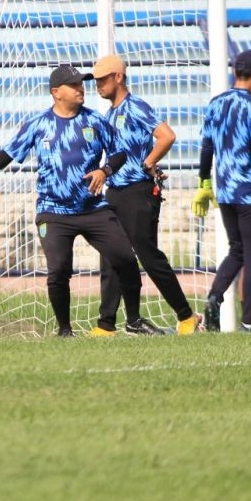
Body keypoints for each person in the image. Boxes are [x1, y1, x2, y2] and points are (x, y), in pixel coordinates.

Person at [0, 64, 149, 338]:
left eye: (82, 83)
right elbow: (9, 151)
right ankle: (65, 330)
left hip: (93, 208)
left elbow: (120, 153)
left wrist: (104, 170)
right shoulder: (39, 124)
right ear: (56, 92)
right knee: (59, 270)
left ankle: (134, 321)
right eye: (74, 85)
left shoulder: (95, 121)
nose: (81, 88)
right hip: (53, 211)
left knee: (125, 258)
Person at [92, 54, 201, 335]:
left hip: (138, 192)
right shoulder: (109, 114)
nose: (97, 85)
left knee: (148, 256)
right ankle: (109, 325)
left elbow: (167, 135)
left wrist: (149, 162)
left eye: (103, 79)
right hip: (115, 191)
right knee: (112, 256)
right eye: (95, 80)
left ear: (118, 77)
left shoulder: (136, 106)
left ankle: (186, 317)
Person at [192, 49, 251, 332]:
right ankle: (250, 322)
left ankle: (214, 297)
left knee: (238, 250)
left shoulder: (215, 103)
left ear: (235, 73)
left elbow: (207, 147)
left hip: (226, 192)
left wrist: (204, 182)